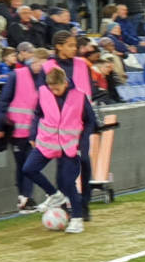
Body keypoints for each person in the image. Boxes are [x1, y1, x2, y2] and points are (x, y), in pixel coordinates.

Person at [22, 66, 95, 234]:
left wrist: (83, 144)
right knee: (28, 169)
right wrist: (33, 134)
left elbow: (90, 122)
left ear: (65, 83)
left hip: (70, 146)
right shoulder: (44, 92)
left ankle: (77, 219)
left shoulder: (79, 96)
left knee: (68, 182)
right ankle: (54, 195)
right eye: (51, 88)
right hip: (47, 142)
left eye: (57, 89)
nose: (54, 92)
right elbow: (38, 114)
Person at [0, 46, 47, 213]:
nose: (40, 67)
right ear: (33, 60)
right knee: (23, 166)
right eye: (39, 63)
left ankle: (25, 198)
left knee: (29, 166)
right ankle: (24, 198)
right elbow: (3, 102)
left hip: (34, 132)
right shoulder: (16, 76)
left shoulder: (44, 79)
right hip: (16, 131)